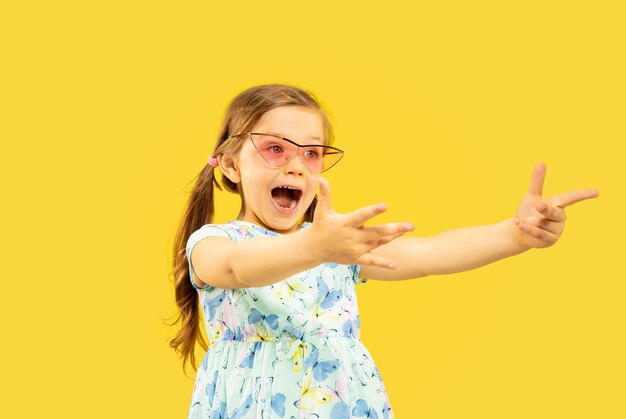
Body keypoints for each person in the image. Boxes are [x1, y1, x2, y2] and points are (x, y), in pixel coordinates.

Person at [169, 83, 599, 418]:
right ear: (229, 164)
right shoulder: (214, 242)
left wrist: (515, 234)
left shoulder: (337, 246)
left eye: (312, 153)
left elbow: (431, 253)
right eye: (275, 148)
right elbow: (238, 269)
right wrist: (314, 246)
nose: (296, 165)